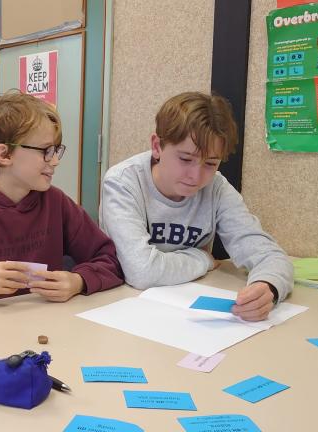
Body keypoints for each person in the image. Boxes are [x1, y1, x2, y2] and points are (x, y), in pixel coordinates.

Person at [0, 92, 123, 312]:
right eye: (45, 151)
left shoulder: (56, 202)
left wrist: (78, 281)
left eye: (55, 150)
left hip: (48, 329)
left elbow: (109, 259)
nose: (54, 161)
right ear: (4, 155)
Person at [99, 92, 293, 322]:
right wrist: (202, 259)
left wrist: (267, 286)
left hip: (187, 311)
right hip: (122, 309)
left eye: (210, 163)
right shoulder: (123, 182)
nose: (196, 176)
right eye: (185, 159)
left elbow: (269, 255)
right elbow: (141, 272)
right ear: (157, 146)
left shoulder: (217, 188)